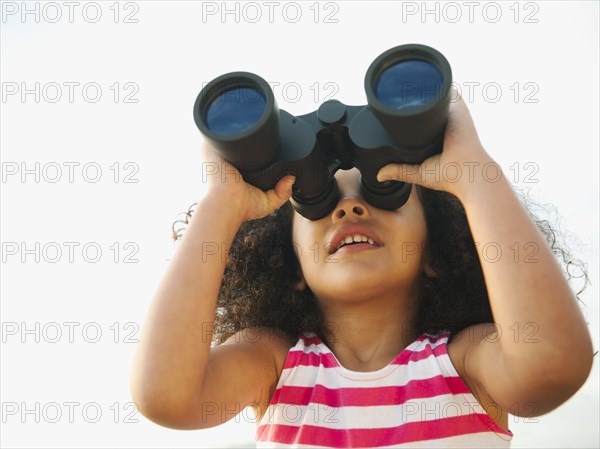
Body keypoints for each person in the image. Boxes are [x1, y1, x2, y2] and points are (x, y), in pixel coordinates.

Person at [129, 93, 593, 448]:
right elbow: (168, 396)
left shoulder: (465, 362)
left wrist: (473, 174)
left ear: (435, 251)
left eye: (384, 194)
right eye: (316, 204)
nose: (350, 207)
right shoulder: (274, 364)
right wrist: (222, 205)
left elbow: (550, 368)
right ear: (291, 265)